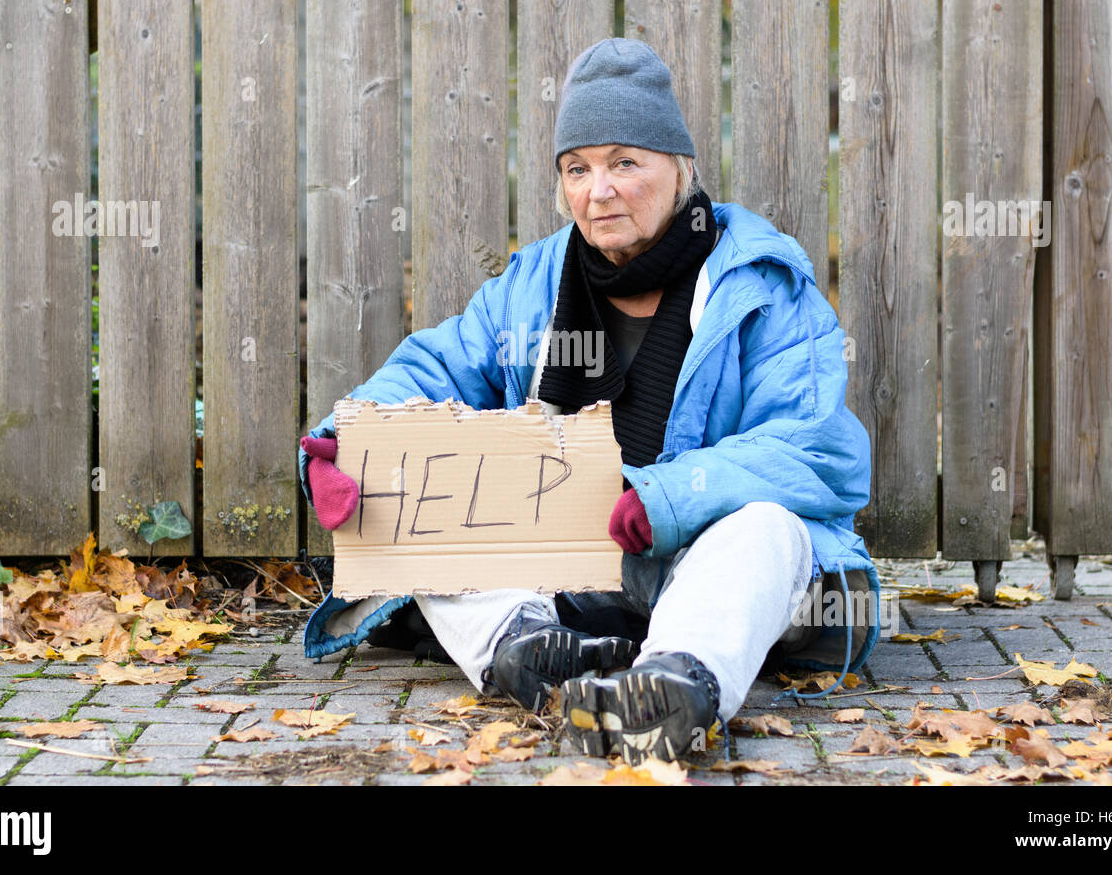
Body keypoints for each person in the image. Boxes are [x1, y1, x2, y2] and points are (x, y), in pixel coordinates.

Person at [298, 38, 879, 765]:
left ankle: (676, 684)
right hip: (569, 568)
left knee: (766, 527)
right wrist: (344, 441)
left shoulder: (761, 285)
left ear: (681, 169)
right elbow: (438, 367)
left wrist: (666, 496)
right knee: (414, 492)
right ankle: (530, 651)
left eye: (624, 163)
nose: (597, 191)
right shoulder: (534, 281)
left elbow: (814, 449)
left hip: (705, 568)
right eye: (578, 169)